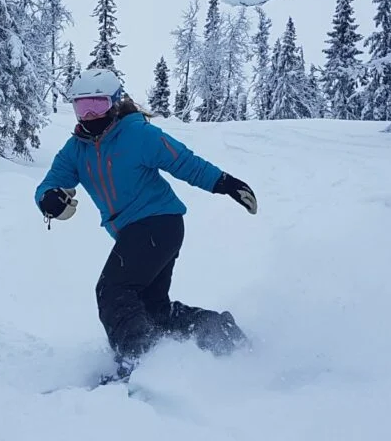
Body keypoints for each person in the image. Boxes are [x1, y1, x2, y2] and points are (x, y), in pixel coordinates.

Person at [34, 68, 258, 380]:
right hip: (133, 231)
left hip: (158, 223)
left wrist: (225, 183)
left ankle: (137, 364)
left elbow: (184, 162)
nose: (88, 114)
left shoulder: (138, 134)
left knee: (113, 291)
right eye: (80, 106)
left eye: (96, 106)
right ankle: (220, 331)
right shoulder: (77, 150)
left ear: (114, 103)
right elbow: (51, 182)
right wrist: (47, 199)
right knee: (153, 310)